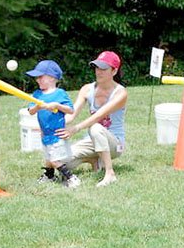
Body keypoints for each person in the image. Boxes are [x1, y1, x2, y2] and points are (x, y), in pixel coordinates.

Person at [56, 51, 127, 187]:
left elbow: (98, 116)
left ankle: (110, 173)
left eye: (103, 68)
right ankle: (94, 159)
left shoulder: (120, 93)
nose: (98, 72)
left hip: (116, 144)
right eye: (96, 67)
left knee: (95, 128)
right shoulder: (87, 89)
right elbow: (71, 115)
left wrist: (75, 129)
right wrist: (49, 124)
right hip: (92, 140)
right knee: (62, 161)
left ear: (114, 71)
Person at [26, 60, 80, 188]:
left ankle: (70, 177)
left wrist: (56, 105)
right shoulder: (37, 94)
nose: (37, 80)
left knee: (55, 160)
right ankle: (49, 176)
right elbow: (31, 111)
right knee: (48, 158)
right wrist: (38, 106)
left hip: (57, 133)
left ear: (52, 78)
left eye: (40, 77)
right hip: (45, 133)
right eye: (36, 77)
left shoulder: (60, 94)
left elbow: (70, 110)